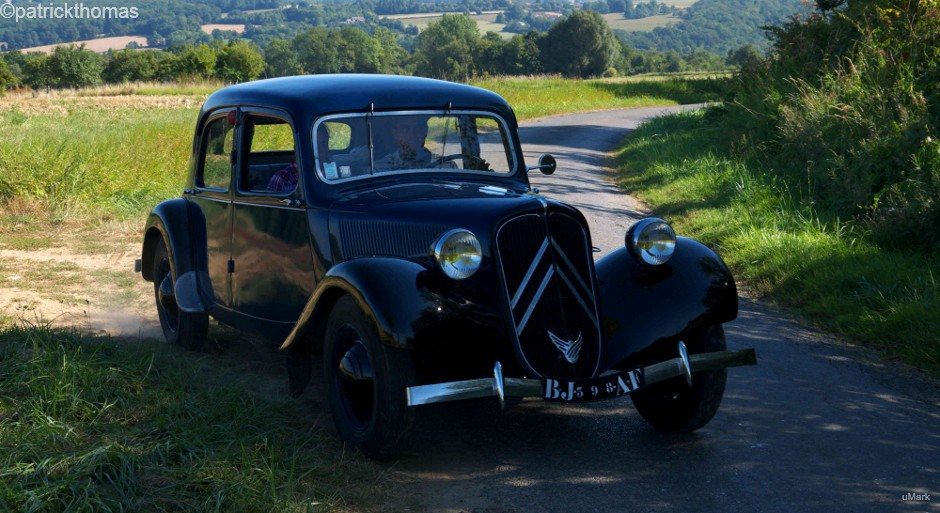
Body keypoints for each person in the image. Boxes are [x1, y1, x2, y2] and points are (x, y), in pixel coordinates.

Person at [267, 125, 330, 192]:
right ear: (299, 149)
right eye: (314, 145)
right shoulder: (282, 179)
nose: (321, 149)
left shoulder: (333, 173)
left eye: (324, 143)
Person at [375, 116, 441, 170]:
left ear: (425, 132)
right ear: (395, 134)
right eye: (405, 129)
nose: (412, 135)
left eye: (417, 129)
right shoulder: (380, 168)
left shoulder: (440, 165)